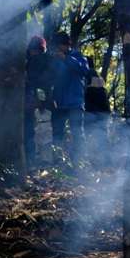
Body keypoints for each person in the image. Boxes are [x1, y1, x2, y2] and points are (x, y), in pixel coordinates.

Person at [51, 31, 89, 165]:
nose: (58, 49)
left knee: (77, 133)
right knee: (57, 133)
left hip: (75, 103)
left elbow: (84, 71)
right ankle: (58, 162)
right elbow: (52, 79)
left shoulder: (78, 56)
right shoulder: (55, 59)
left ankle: (78, 162)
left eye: (60, 45)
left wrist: (66, 59)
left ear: (66, 45)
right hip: (59, 103)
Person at [24, 35, 52, 167]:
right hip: (37, 101)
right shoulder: (35, 60)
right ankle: (37, 160)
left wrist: (39, 100)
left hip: (37, 101)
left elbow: (40, 82)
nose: (32, 52)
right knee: (37, 131)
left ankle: (35, 161)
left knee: (38, 131)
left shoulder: (39, 60)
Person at [85, 56, 111, 168]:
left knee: (87, 137)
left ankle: (90, 163)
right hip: (103, 111)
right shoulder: (98, 77)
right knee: (102, 138)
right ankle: (105, 162)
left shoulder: (86, 75)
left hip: (92, 111)